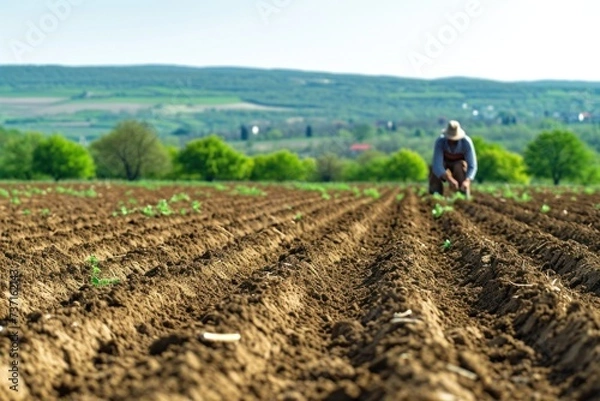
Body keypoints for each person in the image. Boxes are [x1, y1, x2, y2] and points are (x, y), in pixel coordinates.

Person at [429, 120, 477, 198]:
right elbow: (437, 165)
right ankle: (435, 196)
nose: (452, 140)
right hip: (444, 164)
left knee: (460, 166)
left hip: (458, 165)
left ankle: (463, 195)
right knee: (434, 171)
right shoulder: (440, 142)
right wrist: (449, 179)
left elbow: (472, 165)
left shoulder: (466, 143)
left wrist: (467, 180)